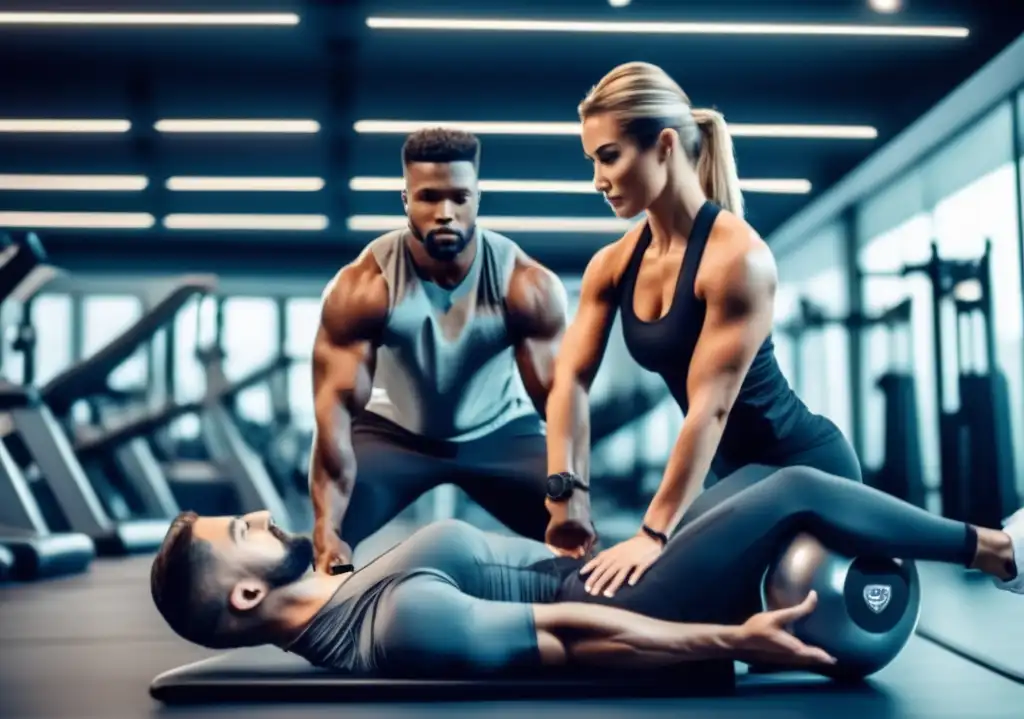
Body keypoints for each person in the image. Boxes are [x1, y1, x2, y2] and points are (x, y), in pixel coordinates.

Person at [149, 465, 1024, 679]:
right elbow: (569, 637)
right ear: (247, 592)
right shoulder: (394, 625)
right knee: (794, 487)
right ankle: (999, 552)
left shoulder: (340, 593)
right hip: (632, 602)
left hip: (598, 572)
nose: (261, 515)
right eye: (244, 531)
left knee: (761, 475)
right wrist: (741, 641)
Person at [543, 62, 862, 598]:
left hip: (803, 466)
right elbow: (570, 380)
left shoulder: (737, 258)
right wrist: (566, 494)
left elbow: (709, 408)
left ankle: (991, 547)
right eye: (591, 161)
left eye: (608, 157)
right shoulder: (613, 265)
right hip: (727, 480)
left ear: (663, 145)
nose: (597, 180)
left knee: (653, 593)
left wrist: (653, 530)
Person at [310, 126, 571, 574]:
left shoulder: (524, 285)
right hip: (394, 435)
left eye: (459, 198)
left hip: (501, 434)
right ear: (405, 200)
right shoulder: (363, 287)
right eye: (429, 197)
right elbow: (334, 411)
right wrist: (326, 529)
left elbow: (561, 404)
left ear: (477, 199)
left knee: (580, 549)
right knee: (327, 551)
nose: (445, 213)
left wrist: (574, 499)